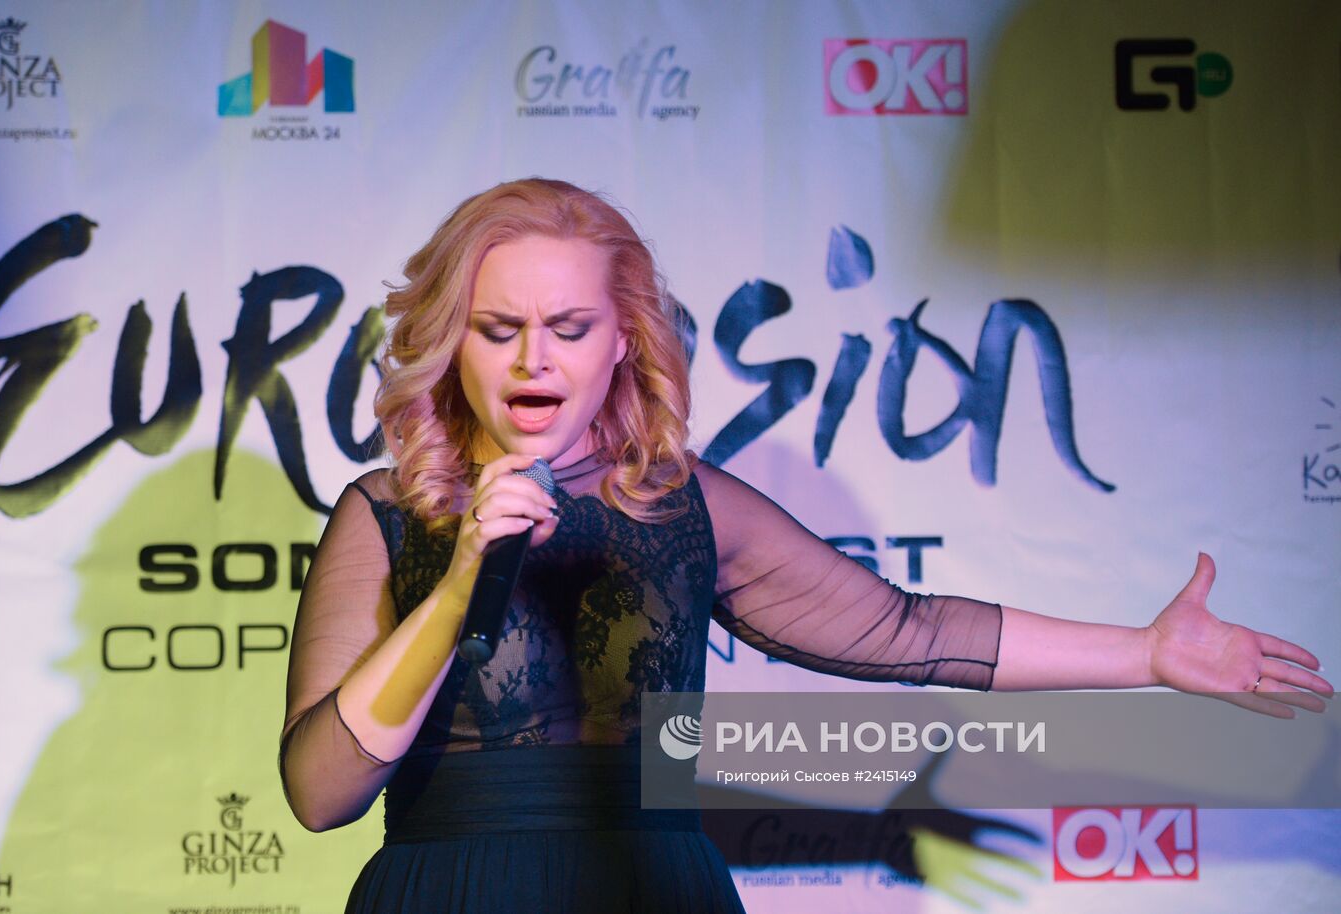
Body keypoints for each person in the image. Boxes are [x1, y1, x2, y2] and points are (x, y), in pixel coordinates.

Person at [279, 178, 1332, 913]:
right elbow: (321, 795)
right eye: (498, 327)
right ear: (452, 340)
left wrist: (1146, 652)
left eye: (568, 327)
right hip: (452, 890)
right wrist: (460, 580)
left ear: (622, 340)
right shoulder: (384, 513)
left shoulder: (686, 508)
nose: (532, 361)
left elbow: (912, 632)